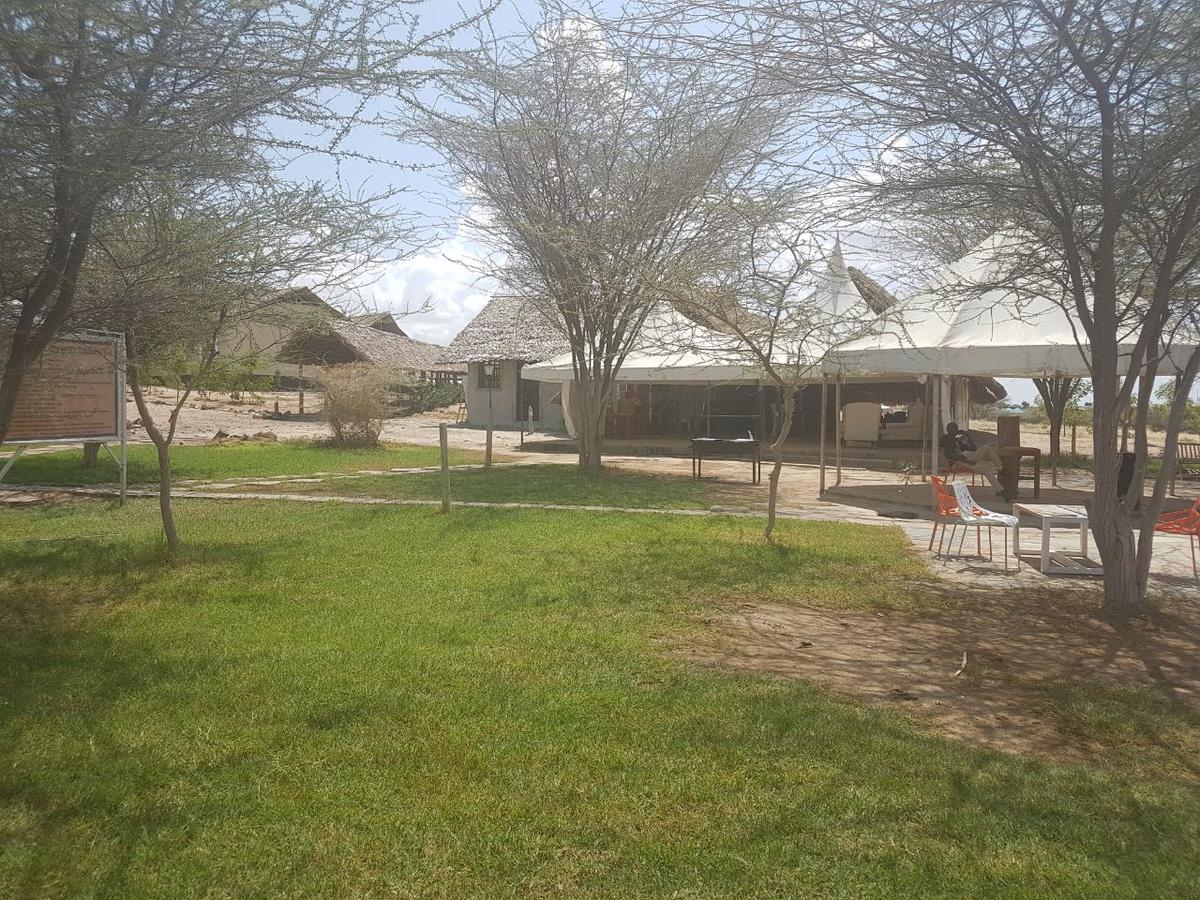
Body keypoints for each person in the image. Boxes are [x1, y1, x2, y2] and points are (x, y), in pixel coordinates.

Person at [940, 421, 1008, 498]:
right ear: (947, 429)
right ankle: (1000, 490)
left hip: (968, 458)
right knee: (986, 469)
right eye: (952, 428)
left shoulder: (958, 440)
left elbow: (974, 449)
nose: (954, 430)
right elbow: (949, 454)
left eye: (956, 428)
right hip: (958, 462)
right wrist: (966, 461)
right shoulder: (945, 438)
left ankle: (1001, 468)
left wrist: (968, 436)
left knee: (986, 447)